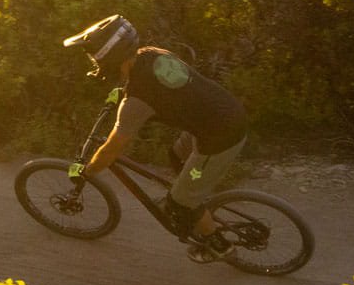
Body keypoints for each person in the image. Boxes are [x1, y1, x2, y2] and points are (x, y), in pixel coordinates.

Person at [63, 14, 249, 261]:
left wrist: (88, 171)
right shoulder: (151, 53)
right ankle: (194, 190)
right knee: (176, 154)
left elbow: (111, 149)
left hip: (220, 137)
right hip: (224, 112)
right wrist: (122, 91)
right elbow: (157, 84)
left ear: (110, 57)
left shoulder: (137, 102)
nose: (94, 62)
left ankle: (219, 245)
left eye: (95, 57)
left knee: (182, 203)